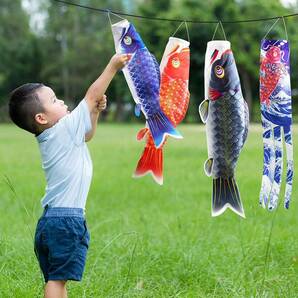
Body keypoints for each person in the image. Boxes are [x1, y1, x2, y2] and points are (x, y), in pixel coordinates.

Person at [8, 53, 130, 298]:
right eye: (54, 100)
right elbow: (92, 95)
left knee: (57, 281)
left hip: (51, 221)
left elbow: (87, 136)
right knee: (56, 282)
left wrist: (94, 113)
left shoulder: (54, 135)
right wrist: (113, 67)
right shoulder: (62, 128)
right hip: (66, 221)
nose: (62, 101)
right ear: (41, 118)